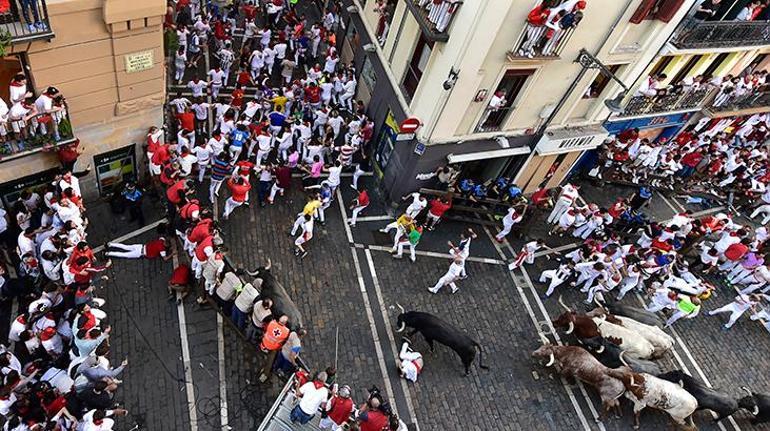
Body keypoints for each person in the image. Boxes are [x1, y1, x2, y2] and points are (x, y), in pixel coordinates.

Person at [105, 236, 171, 260]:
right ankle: (108, 253)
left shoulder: (161, 239)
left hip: (140, 246)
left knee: (125, 246)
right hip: (139, 253)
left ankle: (110, 244)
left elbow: (161, 237)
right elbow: (165, 258)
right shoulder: (162, 250)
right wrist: (172, 254)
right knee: (124, 254)